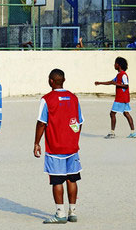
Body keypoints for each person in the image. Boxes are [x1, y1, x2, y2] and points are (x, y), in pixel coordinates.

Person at [34, 69, 84, 224]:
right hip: (72, 147)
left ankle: (60, 214)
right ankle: (72, 212)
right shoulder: (73, 98)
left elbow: (41, 123)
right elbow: (79, 122)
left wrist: (36, 143)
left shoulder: (47, 99)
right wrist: (73, 137)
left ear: (50, 81)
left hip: (55, 148)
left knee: (57, 180)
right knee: (72, 178)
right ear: (64, 80)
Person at [95, 56, 136, 138]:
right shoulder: (119, 75)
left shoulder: (123, 75)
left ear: (119, 65)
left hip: (121, 98)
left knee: (112, 113)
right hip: (124, 98)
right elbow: (111, 82)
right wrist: (100, 83)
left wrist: (116, 84)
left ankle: (112, 133)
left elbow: (126, 85)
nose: (114, 65)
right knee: (126, 113)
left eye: (115, 63)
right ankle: (133, 133)